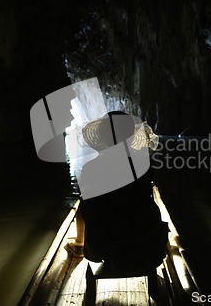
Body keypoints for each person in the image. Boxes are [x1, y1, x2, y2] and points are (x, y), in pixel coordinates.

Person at [65, 111, 167, 271]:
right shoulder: (143, 167)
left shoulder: (91, 169)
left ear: (103, 138)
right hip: (149, 246)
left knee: (84, 201)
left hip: (105, 249)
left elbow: (87, 207)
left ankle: (79, 244)